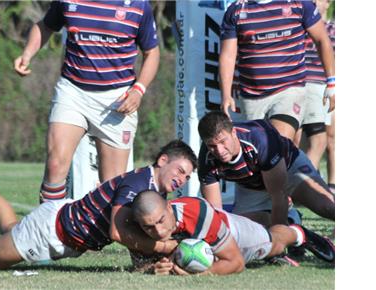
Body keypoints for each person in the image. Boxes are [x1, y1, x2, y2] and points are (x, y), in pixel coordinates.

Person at [0, 140, 197, 272]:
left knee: (12, 230)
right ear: (162, 161)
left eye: (188, 176)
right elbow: (118, 233)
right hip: (52, 232)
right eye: (180, 170)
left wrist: (149, 266)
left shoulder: (151, 189)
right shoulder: (138, 184)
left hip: (57, 222)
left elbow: (132, 235)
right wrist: (162, 249)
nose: (182, 179)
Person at [13, 0, 160, 202]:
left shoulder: (137, 5)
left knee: (112, 187)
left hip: (118, 99)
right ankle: (48, 227)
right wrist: (27, 54)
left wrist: (138, 90)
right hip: (73, 91)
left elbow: (152, 53)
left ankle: (100, 232)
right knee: (56, 164)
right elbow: (45, 26)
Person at [130, 191, 334, 276]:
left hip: (235, 234)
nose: (157, 231)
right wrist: (155, 268)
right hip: (217, 226)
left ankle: (299, 233)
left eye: (160, 221)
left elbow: (236, 263)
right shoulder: (139, 225)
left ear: (168, 207)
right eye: (149, 227)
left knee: (274, 243)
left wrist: (198, 275)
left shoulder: (197, 215)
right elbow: (140, 266)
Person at [219, 0, 335, 142]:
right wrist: (226, 95)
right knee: (259, 153)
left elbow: (322, 40)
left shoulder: (299, 4)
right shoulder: (236, 10)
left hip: (289, 90)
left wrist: (331, 82)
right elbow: (228, 55)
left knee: (278, 145)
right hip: (252, 96)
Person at [197, 111, 334, 227]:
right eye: (212, 146)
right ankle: (292, 220)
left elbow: (279, 195)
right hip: (251, 185)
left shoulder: (260, 138)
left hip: (289, 167)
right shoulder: (206, 158)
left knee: (327, 207)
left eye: (222, 142)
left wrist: (278, 239)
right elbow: (216, 212)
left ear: (233, 132)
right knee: (238, 227)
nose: (219, 151)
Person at [293, 0, 335, 172]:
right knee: (318, 141)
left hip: (322, 86)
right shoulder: (301, 26)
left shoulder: (333, 29)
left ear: (328, 3)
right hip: (308, 85)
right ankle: (303, 185)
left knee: (326, 140)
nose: (314, 2)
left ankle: (325, 187)